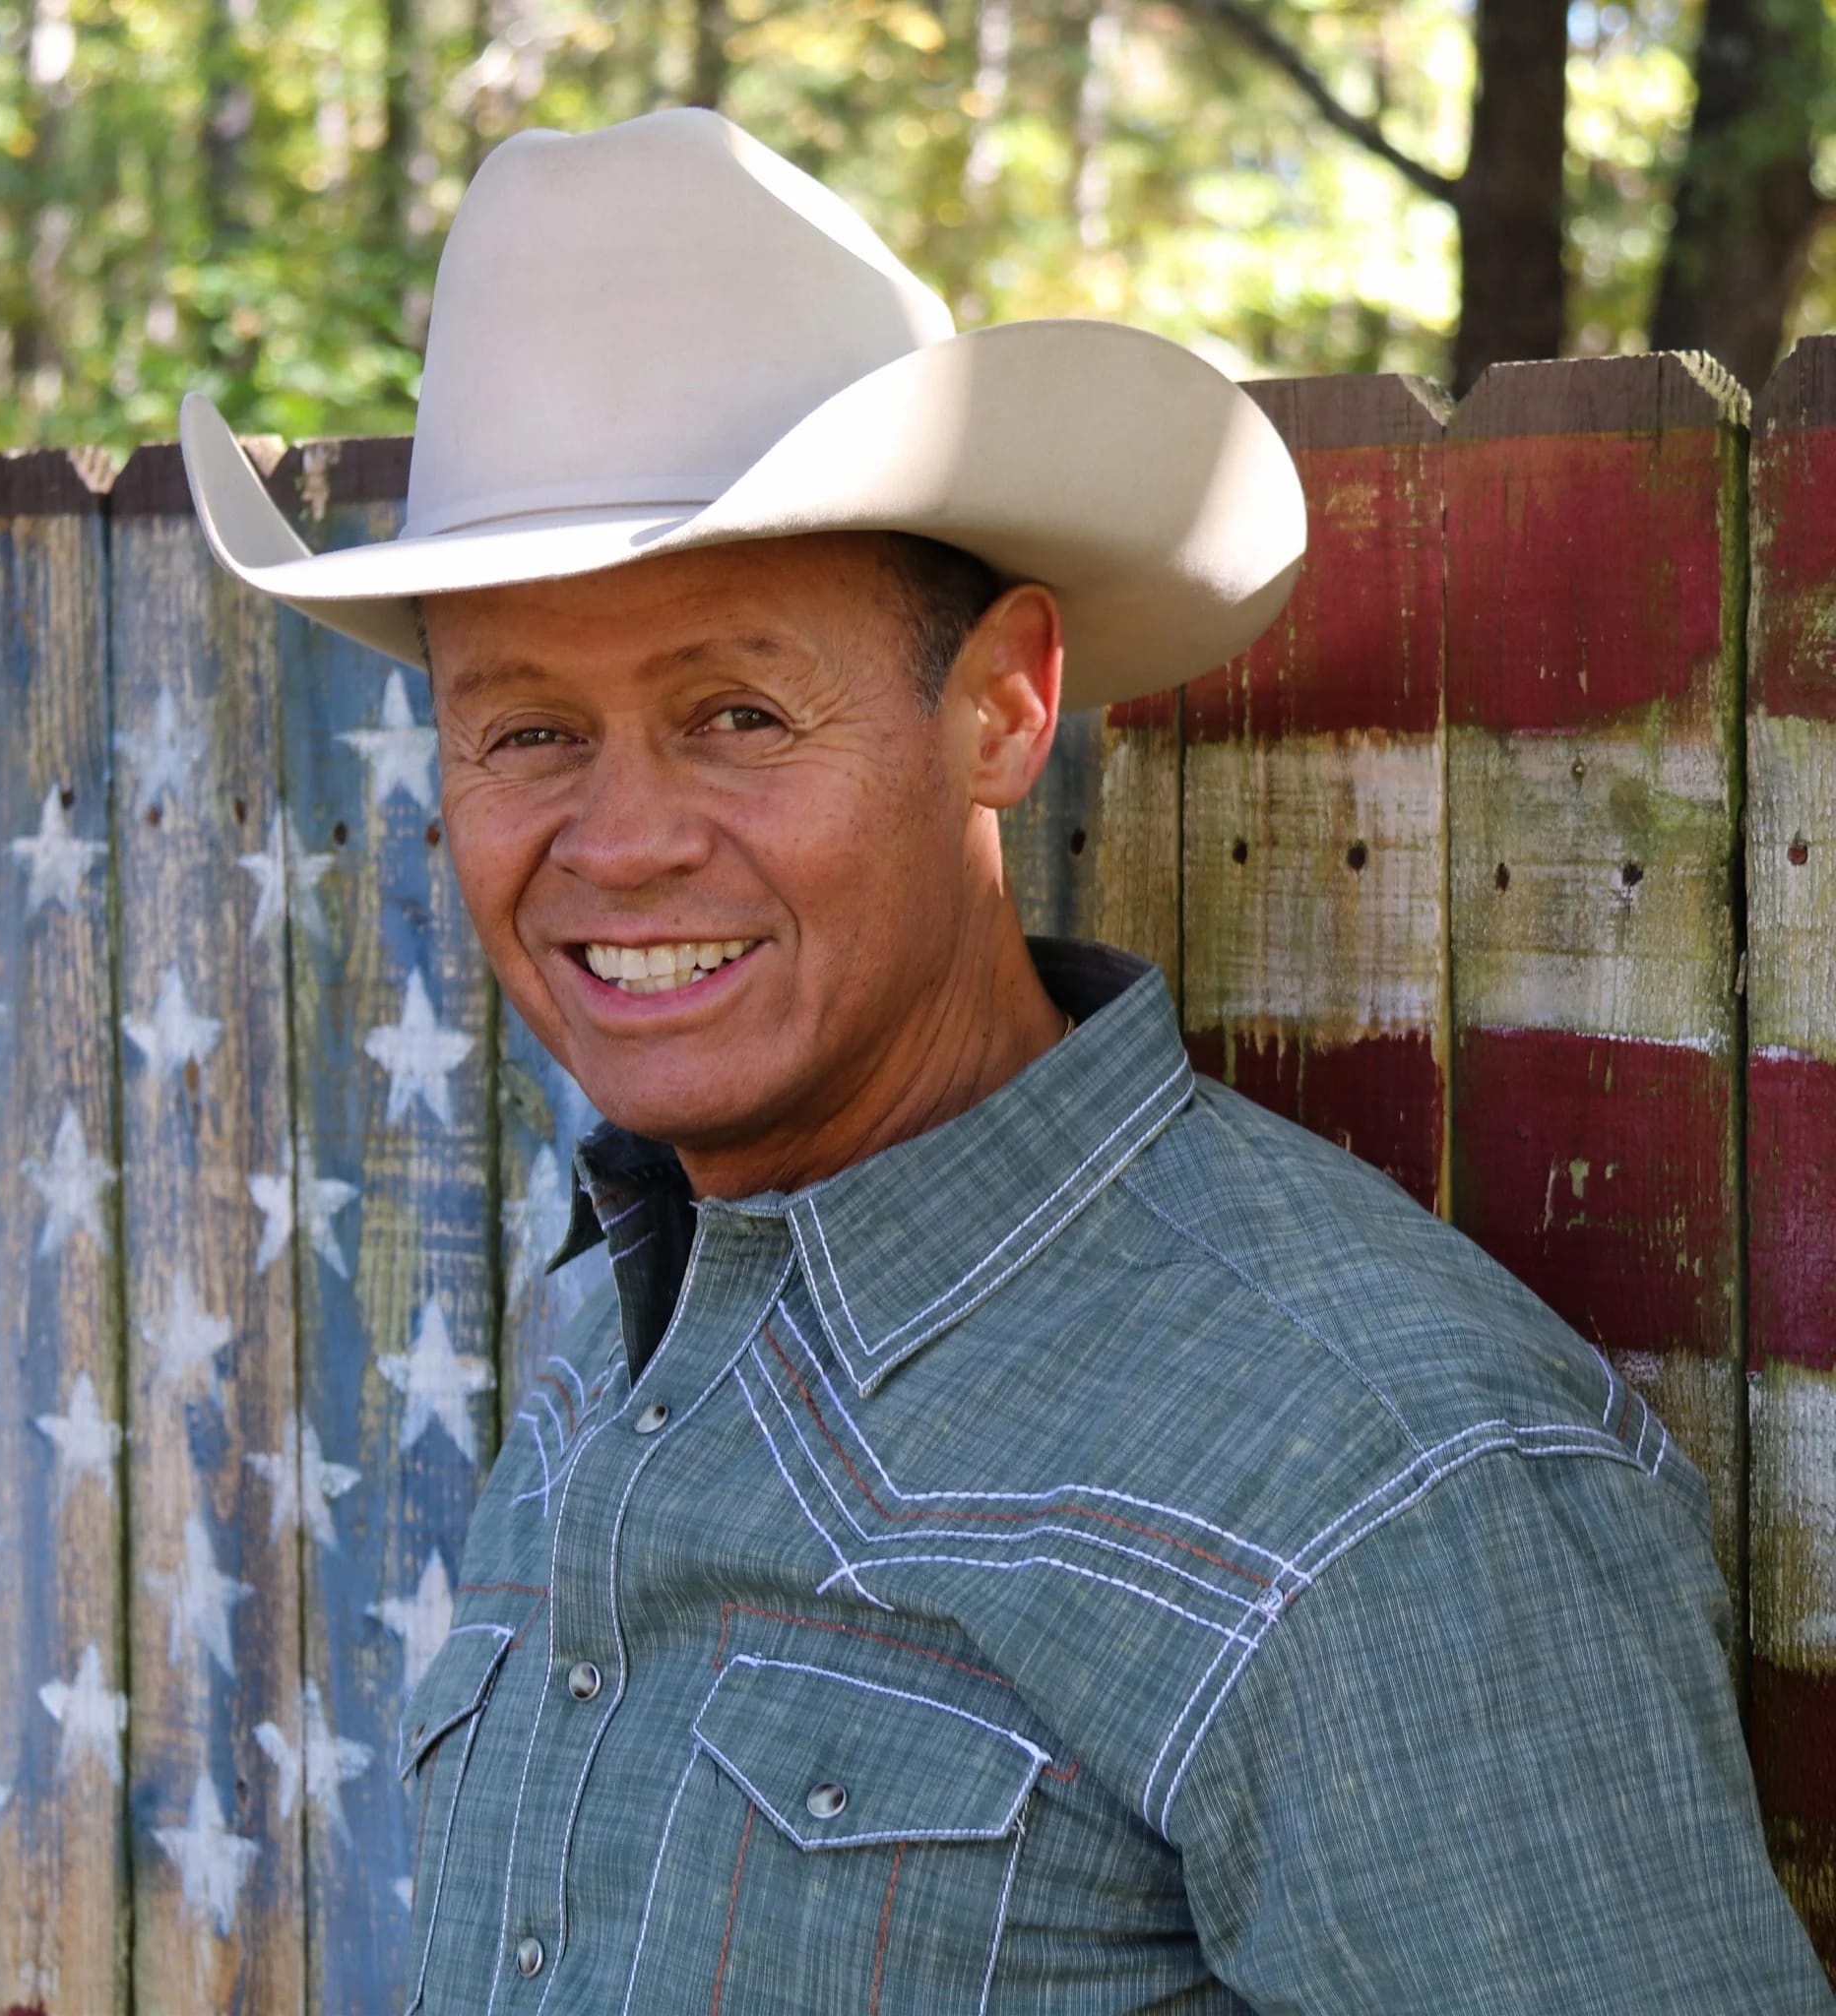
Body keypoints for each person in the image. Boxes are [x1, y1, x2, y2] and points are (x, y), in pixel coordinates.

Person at [177, 106, 1834, 2016]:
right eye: (526, 733)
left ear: (1003, 707)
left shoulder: (1384, 1480)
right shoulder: (612, 1332)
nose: (619, 844)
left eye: (736, 713)